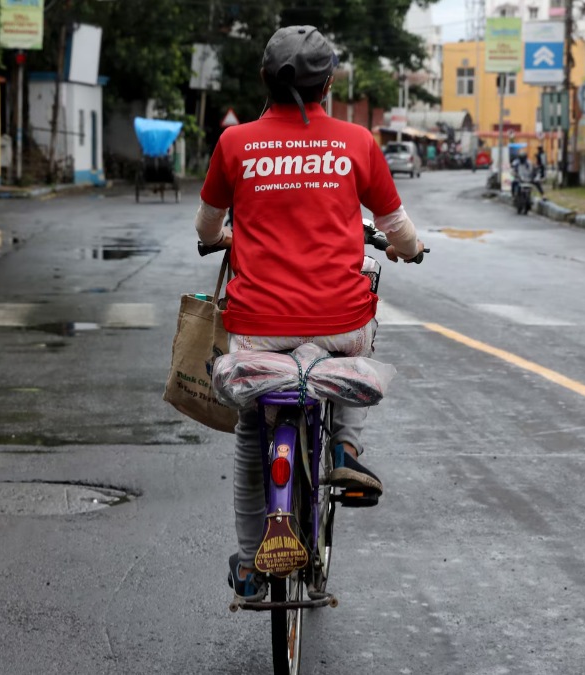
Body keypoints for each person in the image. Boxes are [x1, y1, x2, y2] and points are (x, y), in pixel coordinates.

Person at [193, 25, 426, 602]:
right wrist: (409, 250)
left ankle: (250, 563)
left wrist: (222, 235)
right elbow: (398, 230)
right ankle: (345, 448)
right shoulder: (357, 141)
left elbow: (205, 226)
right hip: (337, 322)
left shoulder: (234, 143)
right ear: (329, 82)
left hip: (258, 331)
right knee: (357, 340)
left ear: (263, 79)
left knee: (252, 427)